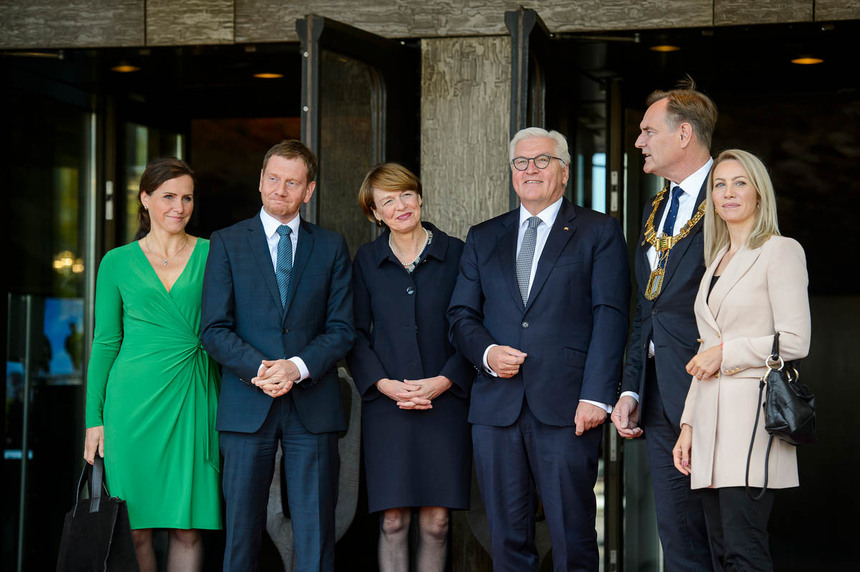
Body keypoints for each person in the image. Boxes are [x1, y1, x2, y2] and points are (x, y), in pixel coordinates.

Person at [447, 127, 630, 571]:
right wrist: (487, 354)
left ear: (564, 171)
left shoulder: (598, 230)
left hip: (569, 407)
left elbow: (611, 316)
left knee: (573, 534)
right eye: (520, 162)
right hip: (495, 408)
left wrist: (596, 396)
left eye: (542, 160)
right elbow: (460, 317)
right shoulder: (484, 236)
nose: (530, 170)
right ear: (512, 173)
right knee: (505, 537)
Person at [200, 139, 354, 572]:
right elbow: (213, 328)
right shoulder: (227, 242)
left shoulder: (331, 246)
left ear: (309, 191)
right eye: (273, 179)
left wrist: (297, 367)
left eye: (292, 182)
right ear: (260, 182)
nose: (280, 189)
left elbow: (342, 329)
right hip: (249, 403)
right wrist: (259, 369)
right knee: (241, 534)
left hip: (313, 403)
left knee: (316, 532)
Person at [673, 149, 811, 570]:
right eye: (719, 184)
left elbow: (795, 340)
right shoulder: (715, 260)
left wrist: (726, 353)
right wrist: (687, 424)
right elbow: (706, 349)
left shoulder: (780, 250)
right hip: (711, 428)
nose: (728, 192)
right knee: (722, 554)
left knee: (744, 552)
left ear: (759, 195)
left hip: (752, 422)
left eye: (739, 183)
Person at [84, 157, 221, 572]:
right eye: (167, 197)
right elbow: (105, 343)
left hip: (194, 397)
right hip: (131, 407)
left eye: (186, 198)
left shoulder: (216, 254)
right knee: (134, 527)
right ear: (145, 200)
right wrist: (94, 418)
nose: (178, 207)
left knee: (188, 527)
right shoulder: (116, 262)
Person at [610, 79, 717, 570]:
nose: (639, 142)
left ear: (684, 134)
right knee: (677, 538)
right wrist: (631, 388)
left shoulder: (729, 197)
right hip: (655, 395)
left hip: (713, 391)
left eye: (648, 131)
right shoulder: (657, 206)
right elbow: (645, 307)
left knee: (724, 537)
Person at [346, 163, 474, 571]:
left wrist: (446, 379)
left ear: (418, 197)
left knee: (437, 522)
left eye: (405, 195)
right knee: (393, 520)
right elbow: (354, 334)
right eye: (388, 201)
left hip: (447, 401)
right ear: (375, 213)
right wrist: (383, 384)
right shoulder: (366, 260)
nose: (400, 206)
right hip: (387, 406)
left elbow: (474, 323)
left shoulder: (457, 252)